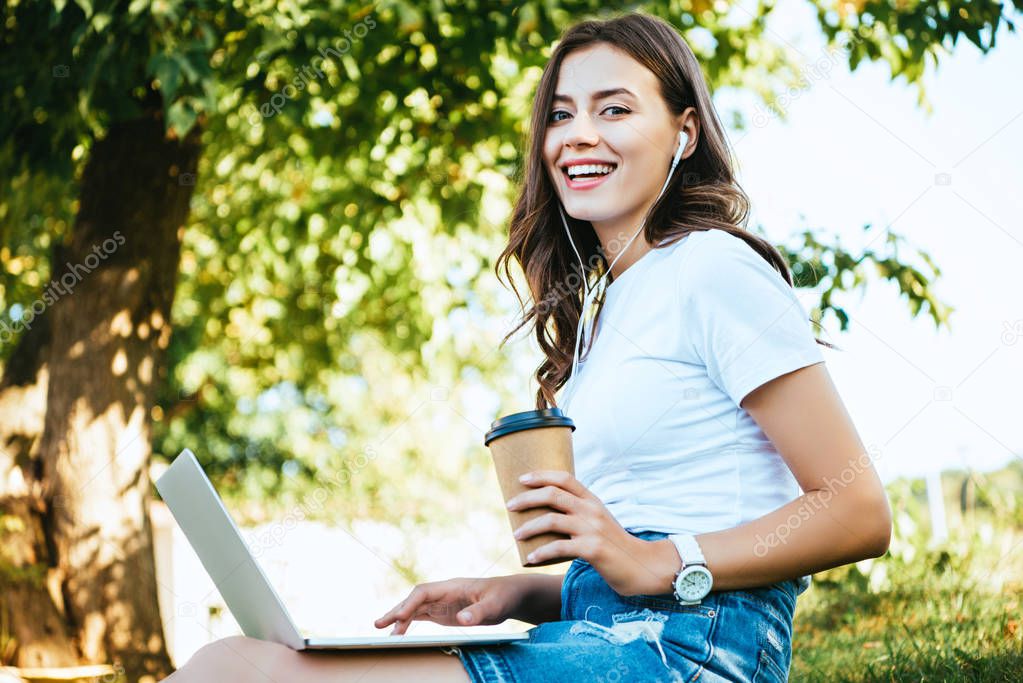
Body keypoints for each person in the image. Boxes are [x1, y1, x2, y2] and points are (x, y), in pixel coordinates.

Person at [164, 11, 892, 682]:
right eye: (559, 114)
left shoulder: (712, 266)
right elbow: (628, 560)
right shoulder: (607, 312)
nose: (575, 134)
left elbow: (856, 509)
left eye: (613, 108)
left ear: (685, 133)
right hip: (604, 636)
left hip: (693, 650)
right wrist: (518, 590)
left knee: (252, 674)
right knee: (232, 655)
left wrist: (657, 561)